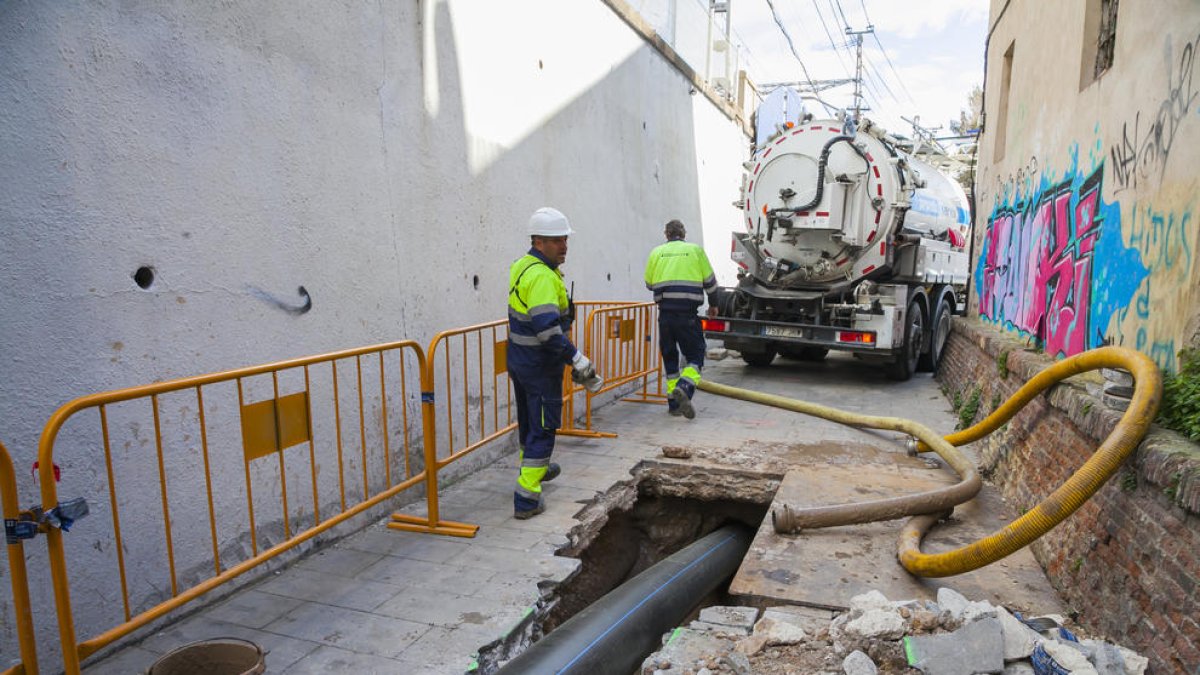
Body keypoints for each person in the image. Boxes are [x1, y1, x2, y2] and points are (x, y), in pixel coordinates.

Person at [507, 207, 602, 519]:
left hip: (521, 361)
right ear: (538, 241)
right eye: (557, 240)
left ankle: (535, 467)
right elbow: (548, 331)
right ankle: (527, 496)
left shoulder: (524, 265)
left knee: (529, 420)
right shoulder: (542, 277)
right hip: (539, 366)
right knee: (544, 427)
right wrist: (577, 359)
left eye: (565, 239)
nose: (564, 246)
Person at [644, 219, 718, 419]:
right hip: (687, 315)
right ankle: (685, 387)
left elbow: (649, 283)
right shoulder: (695, 251)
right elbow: (711, 283)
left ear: (666, 234)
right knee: (696, 355)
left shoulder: (656, 253)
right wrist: (714, 304)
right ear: (684, 233)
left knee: (670, 358)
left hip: (665, 315)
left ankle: (674, 405)